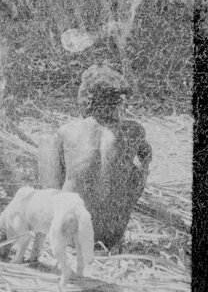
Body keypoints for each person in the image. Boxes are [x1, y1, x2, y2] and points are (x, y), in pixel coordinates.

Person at [37, 64, 152, 249]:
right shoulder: (135, 131)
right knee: (141, 162)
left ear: (87, 98)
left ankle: (49, 223)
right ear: (117, 101)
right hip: (111, 236)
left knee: (46, 142)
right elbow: (137, 178)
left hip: (71, 235)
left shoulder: (67, 131)